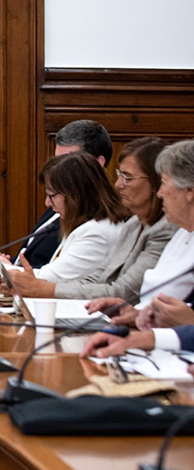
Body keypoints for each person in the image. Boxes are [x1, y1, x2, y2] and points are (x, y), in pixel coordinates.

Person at [1, 137, 174, 303]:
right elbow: (98, 277)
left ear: (157, 182)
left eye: (127, 177)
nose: (118, 184)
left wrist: (44, 289)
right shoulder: (134, 224)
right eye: (119, 175)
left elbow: (123, 292)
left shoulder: (164, 230)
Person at [0, 151, 130, 286]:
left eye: (51, 195)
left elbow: (48, 279)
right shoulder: (84, 225)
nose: (47, 203)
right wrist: (5, 269)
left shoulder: (96, 233)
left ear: (75, 195)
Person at [81, 139, 194, 328]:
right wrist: (134, 314)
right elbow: (159, 305)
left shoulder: (168, 229)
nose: (160, 193)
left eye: (164, 184)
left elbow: (184, 318)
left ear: (189, 190)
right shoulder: (182, 233)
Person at [23, 120, 114, 269]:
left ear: (96, 163)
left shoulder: (94, 220)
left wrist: (1, 270)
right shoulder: (57, 205)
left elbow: (55, 275)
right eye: (57, 159)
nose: (58, 167)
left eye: (67, 161)